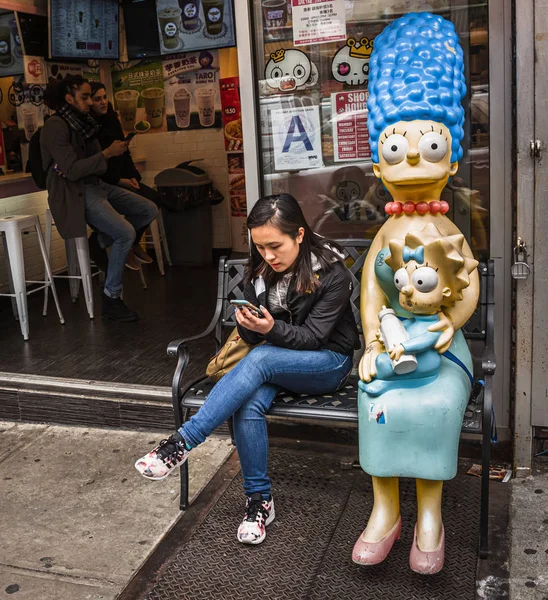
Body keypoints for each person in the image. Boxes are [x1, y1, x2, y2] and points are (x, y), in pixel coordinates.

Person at [135, 194, 360, 545]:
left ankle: (183, 441)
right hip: (274, 360)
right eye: (260, 247)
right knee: (248, 399)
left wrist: (270, 330)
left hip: (327, 363)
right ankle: (259, 501)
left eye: (275, 246)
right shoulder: (261, 269)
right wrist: (248, 326)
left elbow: (315, 338)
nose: (268, 256)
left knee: (260, 360)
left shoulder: (332, 272)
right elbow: (252, 340)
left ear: (299, 235)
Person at [41, 75, 158, 322]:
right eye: (84, 97)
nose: (89, 103)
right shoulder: (55, 126)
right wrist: (104, 154)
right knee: (125, 233)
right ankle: (111, 298)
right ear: (68, 98)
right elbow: (73, 171)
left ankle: (100, 241)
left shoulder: (85, 124)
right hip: (76, 193)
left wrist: (99, 159)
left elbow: (96, 168)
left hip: (97, 185)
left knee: (148, 209)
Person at [89, 81, 162, 271]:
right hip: (106, 182)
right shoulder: (88, 127)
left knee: (154, 200)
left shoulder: (112, 118)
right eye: (98, 99)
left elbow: (124, 152)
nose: (103, 102)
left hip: (120, 178)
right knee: (143, 207)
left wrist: (133, 177)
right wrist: (121, 181)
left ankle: (127, 241)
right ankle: (124, 241)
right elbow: (97, 165)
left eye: (105, 97)